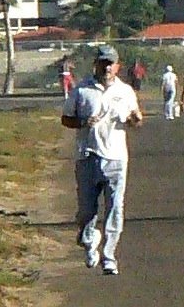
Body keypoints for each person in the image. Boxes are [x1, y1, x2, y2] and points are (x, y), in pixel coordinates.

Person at [61, 44, 142, 276]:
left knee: (115, 208)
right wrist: (83, 123)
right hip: (88, 156)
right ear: (96, 64)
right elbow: (66, 119)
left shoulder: (125, 91)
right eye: (103, 62)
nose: (107, 67)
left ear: (118, 66)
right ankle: (89, 240)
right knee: (87, 211)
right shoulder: (82, 90)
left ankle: (109, 255)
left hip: (116, 158)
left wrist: (134, 119)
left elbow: (137, 120)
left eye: (111, 63)